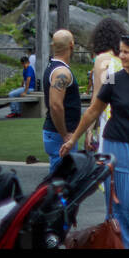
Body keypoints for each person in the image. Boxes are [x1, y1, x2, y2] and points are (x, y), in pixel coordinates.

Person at [60, 32, 129, 248]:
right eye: (120, 51)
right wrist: (73, 138)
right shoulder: (114, 78)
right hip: (118, 145)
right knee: (124, 200)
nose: (120, 56)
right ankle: (126, 242)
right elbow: (94, 111)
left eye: (126, 52)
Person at [83, 18, 125, 153]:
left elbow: (98, 97)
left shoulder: (103, 60)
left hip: (109, 119)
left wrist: (89, 129)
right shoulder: (124, 60)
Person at [43, 30, 82, 172]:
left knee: (62, 180)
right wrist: (65, 134)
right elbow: (55, 105)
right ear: (71, 45)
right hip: (59, 134)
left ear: (53, 46)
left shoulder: (53, 67)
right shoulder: (61, 73)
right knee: (62, 182)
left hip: (56, 132)